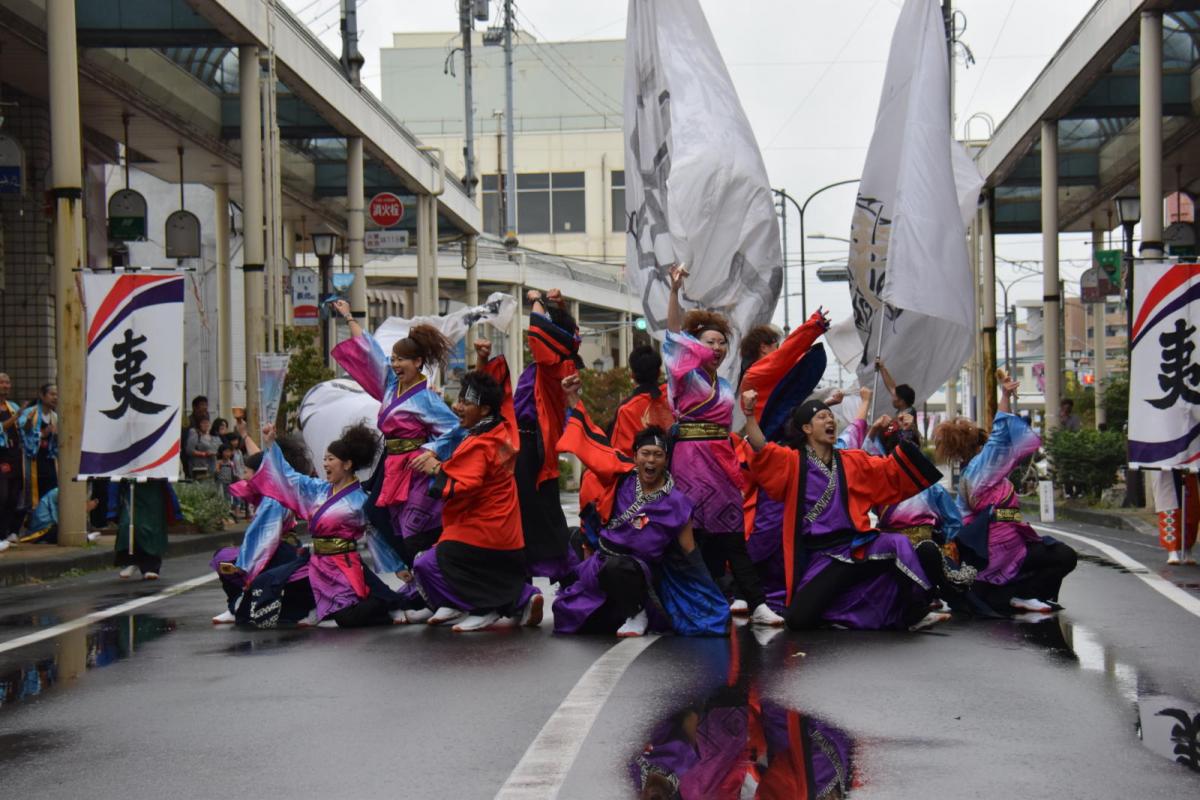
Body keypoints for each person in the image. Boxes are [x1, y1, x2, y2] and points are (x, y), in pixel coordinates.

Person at [741, 389, 948, 631]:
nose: (830, 420)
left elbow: (890, 470)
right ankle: (853, 613)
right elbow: (762, 448)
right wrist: (749, 415)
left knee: (898, 544)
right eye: (822, 417)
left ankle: (916, 611)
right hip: (822, 556)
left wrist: (905, 433)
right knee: (799, 619)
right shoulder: (793, 462)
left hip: (856, 545)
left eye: (831, 416)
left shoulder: (853, 460)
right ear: (806, 429)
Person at [552, 375, 729, 637]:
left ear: (666, 460)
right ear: (635, 456)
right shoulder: (621, 478)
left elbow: (691, 556)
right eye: (645, 453)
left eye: (658, 455)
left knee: (619, 568)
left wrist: (712, 599)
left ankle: (637, 611)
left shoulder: (678, 503)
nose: (651, 460)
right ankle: (617, 609)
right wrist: (573, 398)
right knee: (573, 620)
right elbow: (594, 446)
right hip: (602, 564)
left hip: (639, 573)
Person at [664, 265, 783, 626]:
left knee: (731, 534)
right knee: (693, 533)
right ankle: (698, 600)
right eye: (709, 342)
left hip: (722, 458)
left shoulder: (728, 385)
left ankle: (756, 603)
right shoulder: (682, 374)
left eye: (721, 343)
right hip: (689, 459)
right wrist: (674, 292)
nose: (716, 348)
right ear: (694, 346)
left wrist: (748, 411)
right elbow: (672, 333)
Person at [330, 298, 461, 576]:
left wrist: (431, 451)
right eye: (394, 358)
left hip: (415, 468)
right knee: (376, 517)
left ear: (418, 362)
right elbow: (370, 353)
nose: (395, 363)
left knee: (414, 530)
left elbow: (454, 430)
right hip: (390, 464)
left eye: (402, 359)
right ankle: (410, 574)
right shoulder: (390, 385)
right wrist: (349, 317)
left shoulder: (426, 399)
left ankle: (434, 578)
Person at [409, 368, 544, 632]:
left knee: (428, 562)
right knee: (439, 559)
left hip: (483, 531)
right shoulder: (502, 429)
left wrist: (436, 468)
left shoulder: (480, 443)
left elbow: (466, 481)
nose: (457, 406)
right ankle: (519, 598)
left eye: (465, 402)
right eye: (459, 400)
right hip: (505, 531)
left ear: (483, 410)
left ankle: (485, 607)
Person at [934, 374, 1078, 614]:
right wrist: (1004, 397)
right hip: (999, 552)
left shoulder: (970, 478)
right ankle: (1024, 593)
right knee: (1065, 556)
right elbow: (1000, 433)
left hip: (996, 552)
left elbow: (960, 519)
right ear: (980, 446)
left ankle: (1016, 594)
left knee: (1055, 554)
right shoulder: (982, 468)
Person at [253, 422, 410, 627]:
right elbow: (289, 477)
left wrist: (397, 566)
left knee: (347, 619)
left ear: (347, 464)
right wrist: (271, 444)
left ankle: (386, 604)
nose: (325, 464)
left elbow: (375, 534)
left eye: (331, 459)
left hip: (343, 564)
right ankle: (319, 609)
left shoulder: (360, 499)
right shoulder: (318, 489)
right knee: (267, 583)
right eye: (324, 459)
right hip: (316, 562)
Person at [737, 308, 832, 615]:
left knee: (787, 526)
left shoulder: (766, 377)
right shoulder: (757, 374)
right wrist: (813, 326)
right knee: (770, 524)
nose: (779, 349)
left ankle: (773, 591)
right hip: (768, 455)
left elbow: (792, 406)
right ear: (764, 347)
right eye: (775, 344)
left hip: (778, 454)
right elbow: (788, 355)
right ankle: (743, 587)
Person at [211, 433, 317, 626]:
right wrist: (247, 436)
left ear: (260, 473)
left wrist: (246, 566)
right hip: (279, 548)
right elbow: (258, 457)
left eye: (248, 471)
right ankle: (236, 605)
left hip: (278, 551)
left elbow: (263, 539)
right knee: (227, 559)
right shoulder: (271, 489)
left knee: (226, 560)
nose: (244, 476)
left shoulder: (273, 499)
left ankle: (238, 605)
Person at [512, 288, 580, 582]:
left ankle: (567, 575)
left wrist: (538, 300)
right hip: (524, 444)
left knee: (537, 512)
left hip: (533, 447)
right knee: (529, 512)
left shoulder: (556, 363)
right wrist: (558, 306)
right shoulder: (550, 363)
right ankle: (528, 580)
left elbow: (538, 329)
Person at [115, 480, 179, 580]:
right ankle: (131, 561)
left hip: (154, 483)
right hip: (132, 482)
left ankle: (151, 566)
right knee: (128, 524)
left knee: (152, 526)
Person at [17, 383, 57, 510]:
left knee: (49, 489)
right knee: (32, 493)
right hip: (33, 460)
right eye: (52, 394)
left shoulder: (55, 416)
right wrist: (42, 434)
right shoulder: (31, 412)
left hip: (49, 460)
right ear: (42, 395)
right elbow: (23, 432)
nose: (55, 397)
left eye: (57, 395)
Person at [1151, 470, 1197, 566]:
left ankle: (1188, 549)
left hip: (1187, 467)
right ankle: (1172, 550)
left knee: (1190, 512)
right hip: (1166, 468)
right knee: (1169, 512)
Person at [0, 373, 22, 543]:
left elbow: (22, 429)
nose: (6, 386)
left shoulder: (12, 406)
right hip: (2, 455)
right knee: (3, 494)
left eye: (8, 382)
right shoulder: (14, 411)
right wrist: (15, 418)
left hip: (15, 454)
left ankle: (9, 531)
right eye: (2, 382)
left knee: (14, 495)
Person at [185, 415, 220, 479]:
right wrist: (204, 454)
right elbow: (189, 450)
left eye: (207, 422)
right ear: (199, 424)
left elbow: (220, 448)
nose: (205, 425)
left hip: (212, 466)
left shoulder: (213, 434)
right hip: (199, 467)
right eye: (203, 423)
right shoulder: (194, 433)